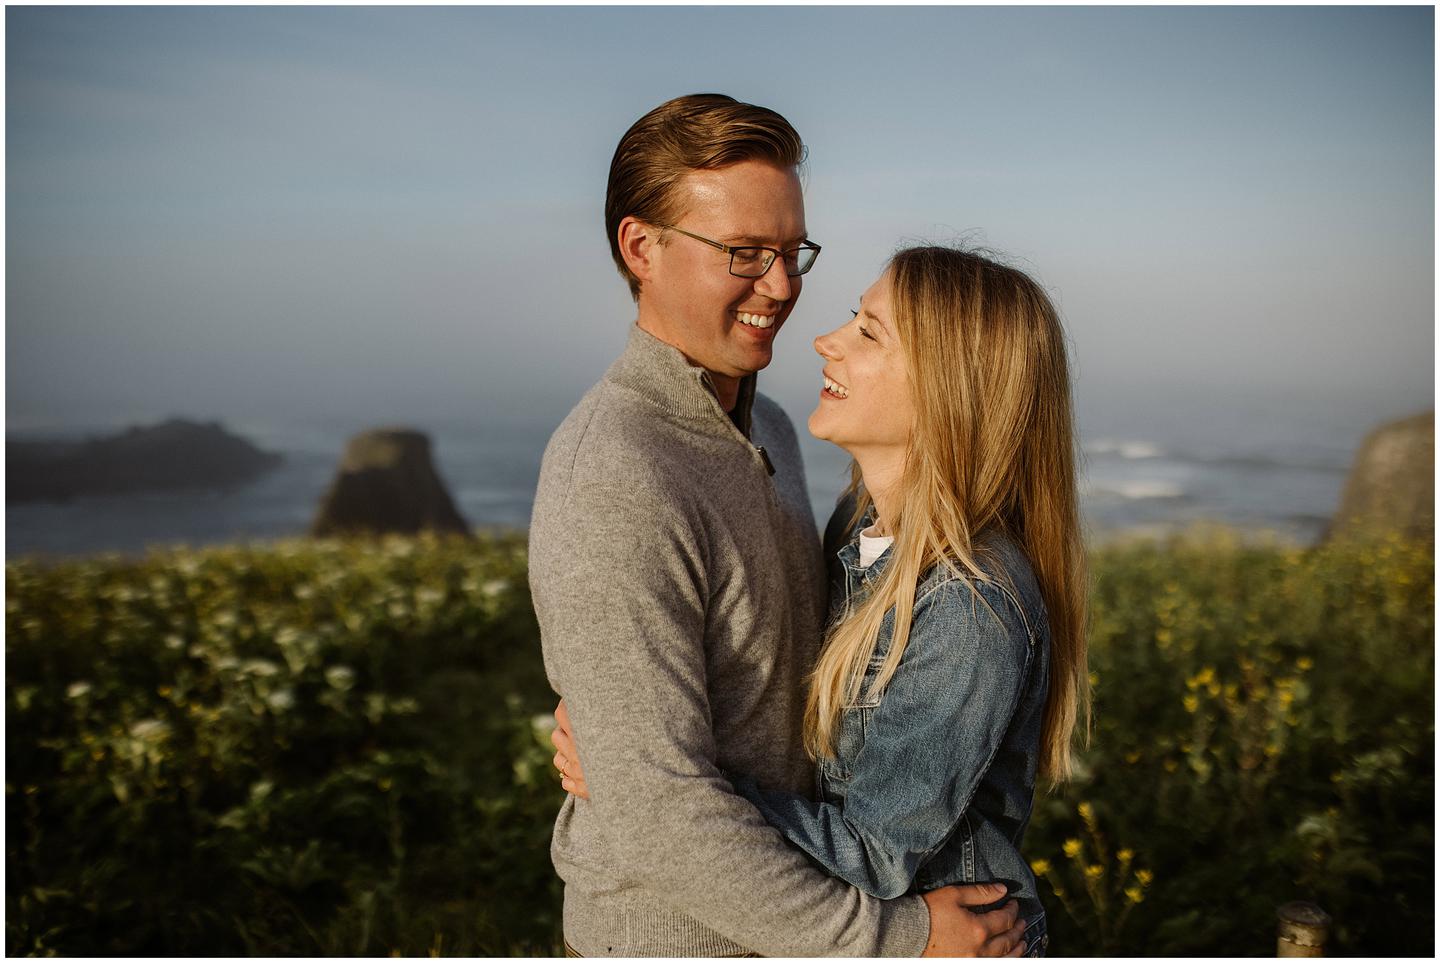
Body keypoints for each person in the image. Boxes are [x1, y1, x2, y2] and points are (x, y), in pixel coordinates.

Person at [529, 94, 1029, 957]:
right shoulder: (614, 474)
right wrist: (896, 937)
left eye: (792, 251)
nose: (784, 287)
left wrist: (622, 757)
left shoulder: (774, 431)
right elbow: (663, 812)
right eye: (745, 254)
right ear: (641, 247)